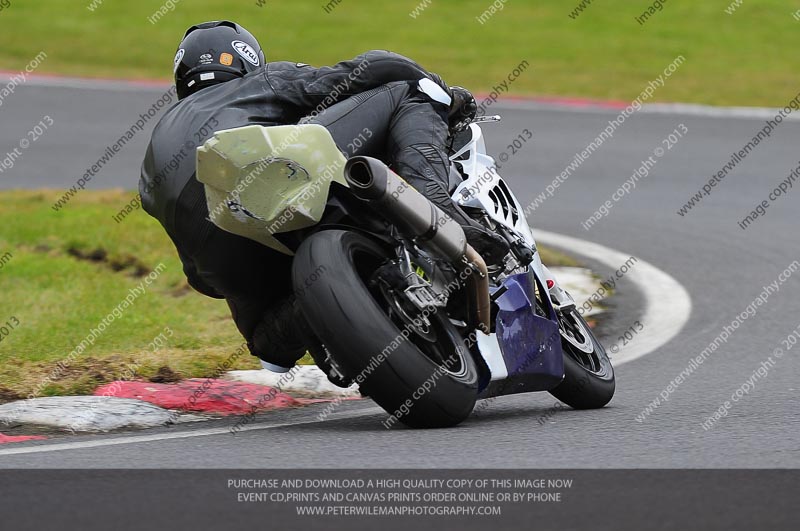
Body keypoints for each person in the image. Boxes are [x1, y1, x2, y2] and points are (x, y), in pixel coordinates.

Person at [140, 20, 508, 374]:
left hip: (222, 256)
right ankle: (444, 215)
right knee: (408, 90)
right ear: (246, 61)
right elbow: (371, 68)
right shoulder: (256, 83)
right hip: (271, 177)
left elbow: (201, 281)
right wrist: (443, 92)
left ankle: (324, 324)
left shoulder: (153, 155)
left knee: (268, 344)